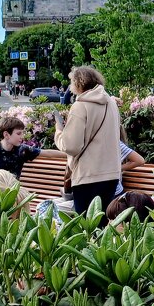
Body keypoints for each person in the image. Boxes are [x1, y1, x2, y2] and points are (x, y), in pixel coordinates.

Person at [54, 65, 121, 217]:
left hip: (87, 175)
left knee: (86, 227)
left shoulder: (80, 106)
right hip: (111, 174)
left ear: (78, 84)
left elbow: (71, 146)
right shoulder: (111, 103)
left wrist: (58, 132)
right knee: (102, 225)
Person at [0, 116, 66, 176]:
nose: (22, 136)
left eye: (22, 133)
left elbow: (47, 153)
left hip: (14, 194)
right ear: (6, 135)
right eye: (18, 133)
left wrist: (70, 154)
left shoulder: (22, 150)